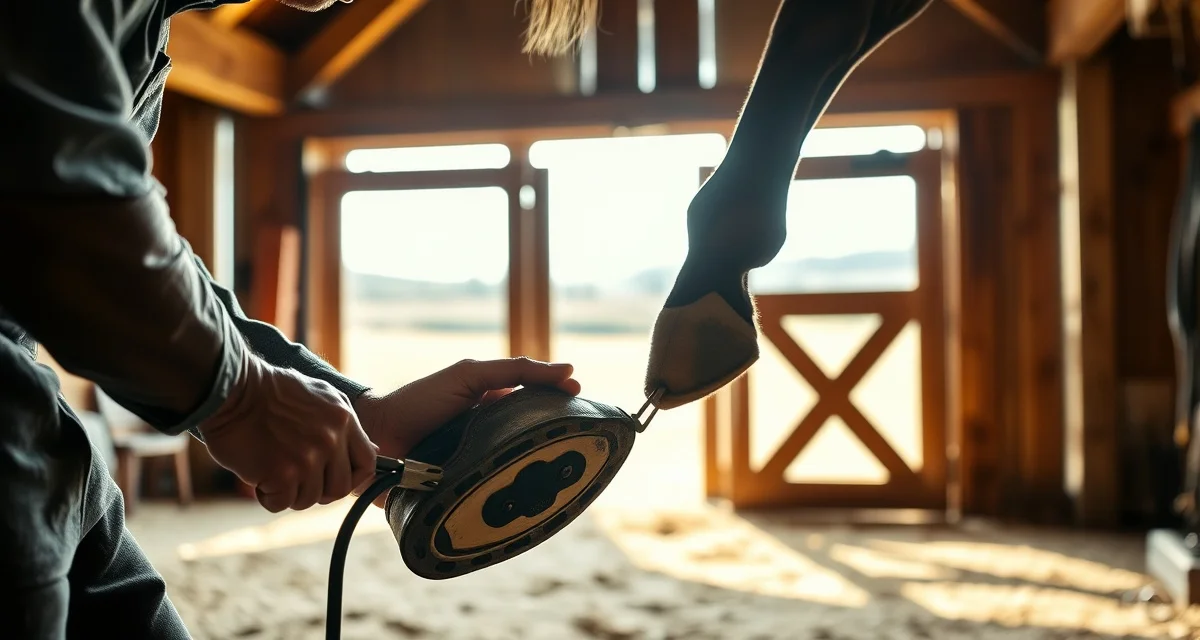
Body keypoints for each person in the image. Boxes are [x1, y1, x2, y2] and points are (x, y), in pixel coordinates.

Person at [0, 0, 584, 637]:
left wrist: (364, 415)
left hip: (41, 436)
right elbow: (57, 194)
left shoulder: (147, 22)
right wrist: (240, 395)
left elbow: (106, 250)